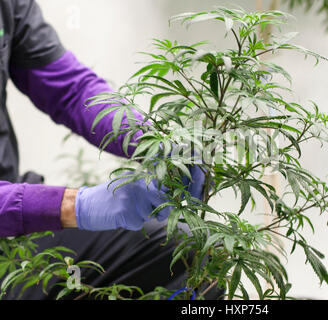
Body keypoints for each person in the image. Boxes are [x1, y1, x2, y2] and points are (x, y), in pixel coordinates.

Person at [0, 0, 220, 299]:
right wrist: (73, 206)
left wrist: (151, 139)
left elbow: (70, 90)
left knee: (185, 251)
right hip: (10, 236)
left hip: (14, 230)